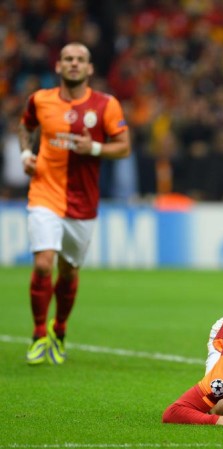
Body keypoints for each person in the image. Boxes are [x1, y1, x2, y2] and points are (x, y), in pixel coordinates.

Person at [18, 42, 131, 365]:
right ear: (58, 66)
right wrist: (26, 154)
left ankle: (59, 330)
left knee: (68, 272)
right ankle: (38, 335)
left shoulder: (106, 105)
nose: (73, 64)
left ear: (89, 68)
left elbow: (123, 147)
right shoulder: (40, 100)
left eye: (80, 59)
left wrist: (93, 148)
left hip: (82, 203)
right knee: (44, 263)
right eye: (68, 58)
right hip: (44, 193)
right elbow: (25, 127)